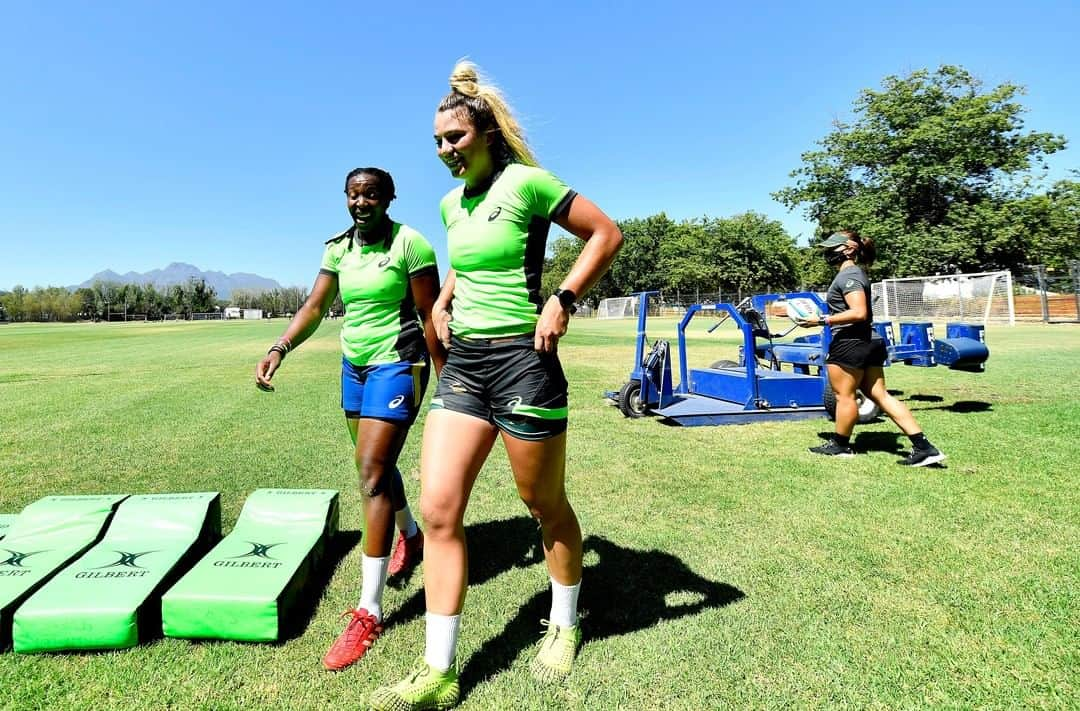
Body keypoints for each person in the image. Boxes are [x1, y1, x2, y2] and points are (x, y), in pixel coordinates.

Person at [368, 62, 623, 711]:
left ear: (483, 132)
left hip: (524, 361)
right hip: (468, 369)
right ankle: (439, 669)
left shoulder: (529, 184)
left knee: (543, 503)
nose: (443, 151)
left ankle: (564, 620)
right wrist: (444, 301)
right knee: (440, 509)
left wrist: (563, 296)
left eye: (452, 137)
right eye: (436, 141)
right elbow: (465, 258)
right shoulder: (453, 205)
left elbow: (606, 232)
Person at [254, 167, 445, 671]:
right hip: (354, 368)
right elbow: (316, 305)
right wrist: (281, 346)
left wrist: (447, 378)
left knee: (371, 475)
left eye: (372, 195)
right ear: (346, 198)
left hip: (399, 363)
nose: (362, 203)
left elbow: (431, 315)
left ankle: (369, 611)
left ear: (389, 199)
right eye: (354, 195)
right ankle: (411, 534)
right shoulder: (338, 249)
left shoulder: (411, 244)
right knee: (375, 468)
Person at [799, 230, 946, 466]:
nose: (827, 253)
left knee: (844, 396)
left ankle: (840, 445)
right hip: (868, 341)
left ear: (848, 249)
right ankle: (924, 447)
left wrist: (821, 321)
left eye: (832, 248)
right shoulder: (853, 274)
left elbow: (859, 312)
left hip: (851, 342)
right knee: (880, 396)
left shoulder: (849, 276)